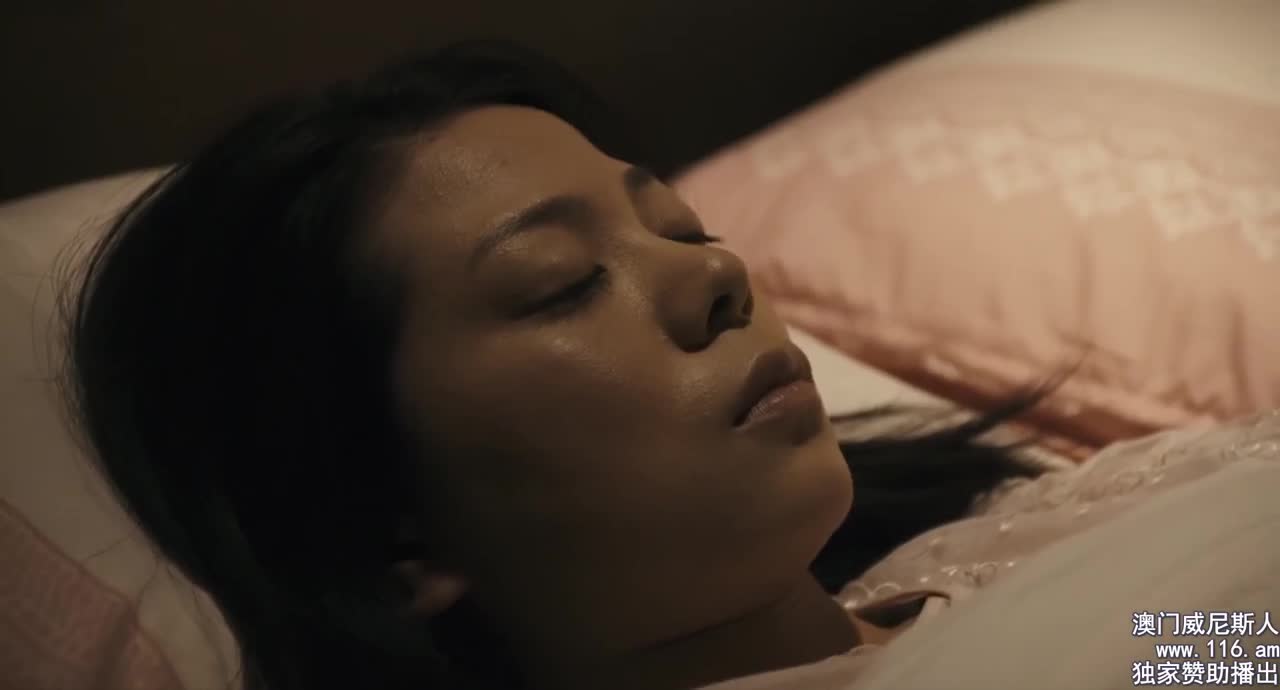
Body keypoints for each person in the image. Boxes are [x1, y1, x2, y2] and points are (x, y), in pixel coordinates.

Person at [60, 41, 1090, 690]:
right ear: (387, 535)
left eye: (680, 228)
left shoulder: (1020, 549)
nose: (718, 272)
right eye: (560, 284)